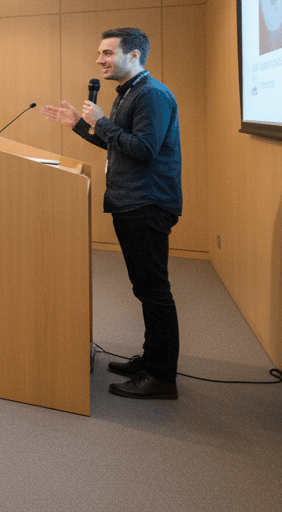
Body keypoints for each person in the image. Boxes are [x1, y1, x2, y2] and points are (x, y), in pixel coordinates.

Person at [41, 27, 183, 400]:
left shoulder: (151, 95)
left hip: (147, 203)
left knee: (154, 290)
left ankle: (161, 377)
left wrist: (100, 121)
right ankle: (151, 360)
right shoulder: (130, 93)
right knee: (144, 287)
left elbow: (144, 149)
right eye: (99, 53)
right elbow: (119, 145)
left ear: (134, 55)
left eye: (107, 53)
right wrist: (79, 125)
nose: (99, 60)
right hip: (131, 201)